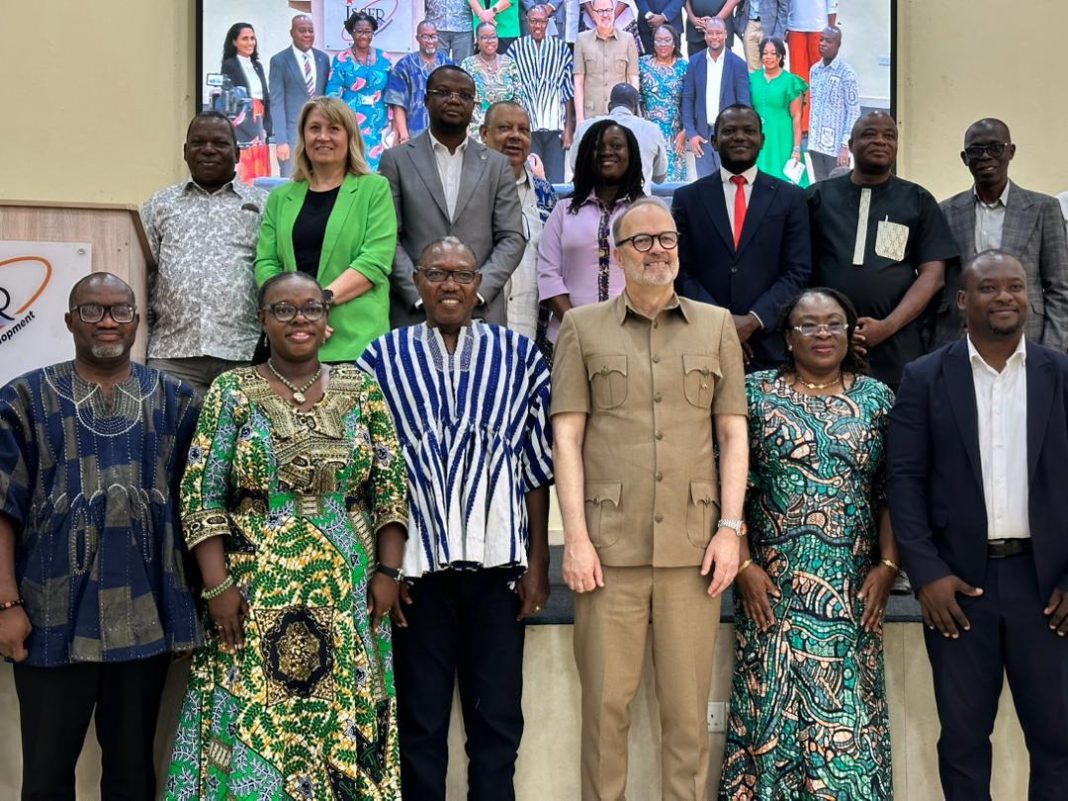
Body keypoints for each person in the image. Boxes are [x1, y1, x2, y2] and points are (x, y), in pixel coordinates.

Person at [164, 271, 409, 799]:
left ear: (327, 319)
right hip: (251, 592)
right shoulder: (231, 391)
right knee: (249, 718)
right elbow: (202, 492)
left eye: (311, 308)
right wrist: (217, 585)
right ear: (263, 320)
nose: (299, 319)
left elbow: (390, 487)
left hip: (346, 590)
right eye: (283, 309)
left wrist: (389, 571)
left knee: (342, 718)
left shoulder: (361, 389)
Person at [551, 196, 749, 801]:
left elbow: (732, 434)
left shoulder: (717, 325)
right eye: (641, 241)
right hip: (608, 552)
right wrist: (576, 539)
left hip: (694, 551)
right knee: (605, 713)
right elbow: (568, 437)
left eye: (666, 239)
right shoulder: (582, 328)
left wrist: (731, 530)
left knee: (687, 718)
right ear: (617, 254)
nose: (657, 250)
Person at [357, 236, 553, 801]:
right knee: (419, 726)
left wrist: (539, 562)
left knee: (497, 725)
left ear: (479, 286)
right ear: (417, 282)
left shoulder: (520, 357)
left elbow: (536, 467)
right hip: (415, 576)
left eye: (462, 274)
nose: (450, 284)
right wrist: (386, 568)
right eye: (437, 273)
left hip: (498, 574)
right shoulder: (380, 358)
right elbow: (370, 474)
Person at [0, 272, 200, 800]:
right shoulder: (22, 399)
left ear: (137, 321)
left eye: (119, 310)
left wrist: (189, 611)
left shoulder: (179, 402)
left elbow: (200, 511)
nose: (107, 321)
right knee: (45, 776)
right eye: (92, 310)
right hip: (48, 617)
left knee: (133, 774)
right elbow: (2, 510)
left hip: (145, 619)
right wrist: (6, 605)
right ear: (70, 321)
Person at [887, 250, 1068, 801]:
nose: (1005, 296)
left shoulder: (1060, 373)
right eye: (989, 288)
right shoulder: (924, 377)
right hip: (959, 589)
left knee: (1059, 742)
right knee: (963, 744)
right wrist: (927, 575)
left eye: (1015, 286)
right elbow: (904, 481)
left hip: (1048, 589)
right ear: (963, 300)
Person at [719, 287, 897, 799]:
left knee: (850, 722)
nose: (823, 333)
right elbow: (728, 482)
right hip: (769, 589)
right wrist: (744, 566)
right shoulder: (754, 394)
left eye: (833, 323)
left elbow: (893, 490)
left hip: (851, 591)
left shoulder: (877, 399)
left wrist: (888, 566)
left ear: (849, 333)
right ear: (787, 337)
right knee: (768, 717)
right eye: (809, 325)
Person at [807, 110, 958, 388]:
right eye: (869, 134)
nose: (880, 141)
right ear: (851, 145)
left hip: (896, 348)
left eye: (889, 136)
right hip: (823, 344)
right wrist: (831, 328)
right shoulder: (817, 197)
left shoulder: (917, 200)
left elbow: (934, 275)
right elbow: (797, 269)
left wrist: (887, 326)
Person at [379, 65, 525, 328]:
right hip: (415, 314)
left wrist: (476, 292)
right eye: (444, 92)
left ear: (474, 106)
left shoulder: (497, 165)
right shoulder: (396, 160)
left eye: (464, 95)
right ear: (426, 100)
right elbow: (388, 237)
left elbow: (512, 237)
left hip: (480, 313)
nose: (454, 100)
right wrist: (419, 294)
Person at [255, 97, 397, 363]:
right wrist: (293, 312)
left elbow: (375, 261)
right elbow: (266, 263)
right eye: (314, 128)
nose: (323, 137)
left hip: (355, 342)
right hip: (291, 340)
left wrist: (314, 306)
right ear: (303, 136)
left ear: (350, 137)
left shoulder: (374, 189)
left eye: (333, 129)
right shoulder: (280, 197)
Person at [673, 104, 811, 370]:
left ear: (762, 140)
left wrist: (753, 320)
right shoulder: (687, 199)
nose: (739, 137)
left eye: (749, 131)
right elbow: (681, 270)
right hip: (702, 344)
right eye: (729, 131)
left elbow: (798, 270)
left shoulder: (790, 198)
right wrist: (722, 324)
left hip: (769, 345)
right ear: (714, 142)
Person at [141, 110, 269, 395]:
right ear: (185, 152)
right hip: (172, 354)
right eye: (198, 143)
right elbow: (144, 276)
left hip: (244, 353)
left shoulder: (264, 205)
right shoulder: (159, 205)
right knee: (170, 426)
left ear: (237, 153)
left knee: (242, 427)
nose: (208, 149)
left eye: (220, 143)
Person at [936, 117, 1068, 351]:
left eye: (995, 148)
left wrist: (1052, 351)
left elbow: (1060, 288)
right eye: (976, 151)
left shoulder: (1043, 208)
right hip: (959, 340)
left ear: (1011, 151)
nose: (986, 156)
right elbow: (938, 286)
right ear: (965, 158)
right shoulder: (946, 212)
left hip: (1028, 340)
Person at [538, 120, 645, 344]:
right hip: (568, 338)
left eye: (616, 146)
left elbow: (658, 274)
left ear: (631, 154)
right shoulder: (563, 211)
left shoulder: (647, 212)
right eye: (597, 147)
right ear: (587, 155)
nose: (607, 152)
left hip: (633, 338)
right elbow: (548, 275)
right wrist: (579, 329)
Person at [481, 101, 559, 339]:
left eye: (523, 130)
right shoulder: (467, 189)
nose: (515, 136)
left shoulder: (545, 194)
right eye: (505, 128)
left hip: (533, 336)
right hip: (480, 335)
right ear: (484, 134)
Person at [507, 5, 575, 183]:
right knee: (531, 180)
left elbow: (568, 91)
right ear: (527, 22)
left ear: (547, 23)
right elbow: (511, 90)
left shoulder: (560, 48)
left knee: (556, 181)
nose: (537, 26)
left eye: (542, 22)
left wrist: (569, 129)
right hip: (527, 127)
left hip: (555, 126)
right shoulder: (516, 48)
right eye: (533, 21)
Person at [680, 17, 750, 178]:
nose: (714, 37)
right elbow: (688, 99)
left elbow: (744, 105)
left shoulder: (738, 64)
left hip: (729, 137)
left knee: (730, 184)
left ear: (725, 34)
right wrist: (691, 134)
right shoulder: (695, 62)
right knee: (706, 186)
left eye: (718, 33)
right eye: (710, 33)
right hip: (702, 137)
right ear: (705, 35)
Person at [326, 13, 394, 171]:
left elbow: (392, 91)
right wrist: (335, 123)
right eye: (359, 31)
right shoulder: (341, 59)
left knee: (378, 170)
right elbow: (332, 93)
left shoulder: (384, 57)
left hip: (379, 125)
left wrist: (393, 122)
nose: (364, 35)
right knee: (352, 168)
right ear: (351, 32)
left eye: (368, 31)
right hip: (350, 124)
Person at [268, 14, 331, 178]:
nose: (307, 34)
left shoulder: (323, 59)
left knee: (319, 179)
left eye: (310, 30)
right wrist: (281, 141)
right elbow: (276, 102)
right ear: (292, 33)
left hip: (320, 134)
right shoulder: (279, 61)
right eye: (302, 30)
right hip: (292, 135)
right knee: (292, 180)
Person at [570, 83, 667, 188]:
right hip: (636, 197)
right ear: (636, 108)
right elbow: (659, 177)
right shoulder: (652, 129)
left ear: (609, 106)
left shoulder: (586, 127)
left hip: (596, 197)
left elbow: (576, 168)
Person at [750, 36, 808, 186]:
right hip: (759, 138)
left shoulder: (791, 81)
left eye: (773, 53)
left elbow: (797, 117)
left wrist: (796, 149)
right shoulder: (752, 79)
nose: (768, 57)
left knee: (783, 183)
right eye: (765, 53)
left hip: (782, 138)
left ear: (781, 56)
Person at [385, 21, 453, 145]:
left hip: (444, 134)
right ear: (418, 39)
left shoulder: (448, 65)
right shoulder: (404, 65)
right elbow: (398, 103)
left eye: (433, 36)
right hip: (413, 135)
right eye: (425, 36)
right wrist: (404, 137)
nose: (430, 41)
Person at [220, 22, 273, 181]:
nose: (250, 43)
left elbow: (265, 96)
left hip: (260, 121)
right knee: (245, 166)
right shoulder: (230, 65)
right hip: (243, 122)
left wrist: (268, 126)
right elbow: (230, 97)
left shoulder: (257, 65)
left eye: (252, 38)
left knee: (261, 170)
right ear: (234, 42)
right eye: (245, 39)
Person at [807, 25, 860, 182]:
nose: (822, 44)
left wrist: (845, 146)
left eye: (828, 41)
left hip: (836, 148)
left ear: (838, 44)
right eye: (821, 40)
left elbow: (853, 112)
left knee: (838, 189)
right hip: (815, 144)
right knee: (820, 187)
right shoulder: (814, 70)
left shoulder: (847, 73)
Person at [573, 0, 639, 124]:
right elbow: (578, 83)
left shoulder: (628, 39)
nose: (605, 15)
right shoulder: (582, 39)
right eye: (600, 11)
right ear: (593, 14)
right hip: (591, 115)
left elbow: (633, 80)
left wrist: (632, 113)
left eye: (608, 10)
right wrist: (579, 120)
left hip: (620, 116)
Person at [638, 25, 687, 182]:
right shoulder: (642, 64)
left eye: (667, 40)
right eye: (658, 40)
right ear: (653, 43)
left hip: (675, 136)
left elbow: (690, 101)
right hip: (647, 132)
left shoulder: (684, 67)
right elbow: (637, 99)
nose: (663, 44)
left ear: (674, 43)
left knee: (673, 184)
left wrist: (685, 131)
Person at [461, 23, 523, 139]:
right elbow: (463, 99)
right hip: (477, 130)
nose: (490, 41)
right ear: (477, 40)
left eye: (493, 37)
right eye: (484, 37)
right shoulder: (468, 64)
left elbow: (518, 97)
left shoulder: (509, 63)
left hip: (506, 127)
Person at [785, 0, 838, 133]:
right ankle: (802, 123)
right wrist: (785, 26)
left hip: (819, 28)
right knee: (798, 78)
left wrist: (831, 31)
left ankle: (823, 121)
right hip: (795, 28)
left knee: (821, 77)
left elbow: (832, 4)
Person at [732, 0, 787, 71]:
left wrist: (778, 32)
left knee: (773, 66)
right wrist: (738, 24)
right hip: (750, 24)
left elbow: (784, 7)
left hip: (771, 26)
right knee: (753, 69)